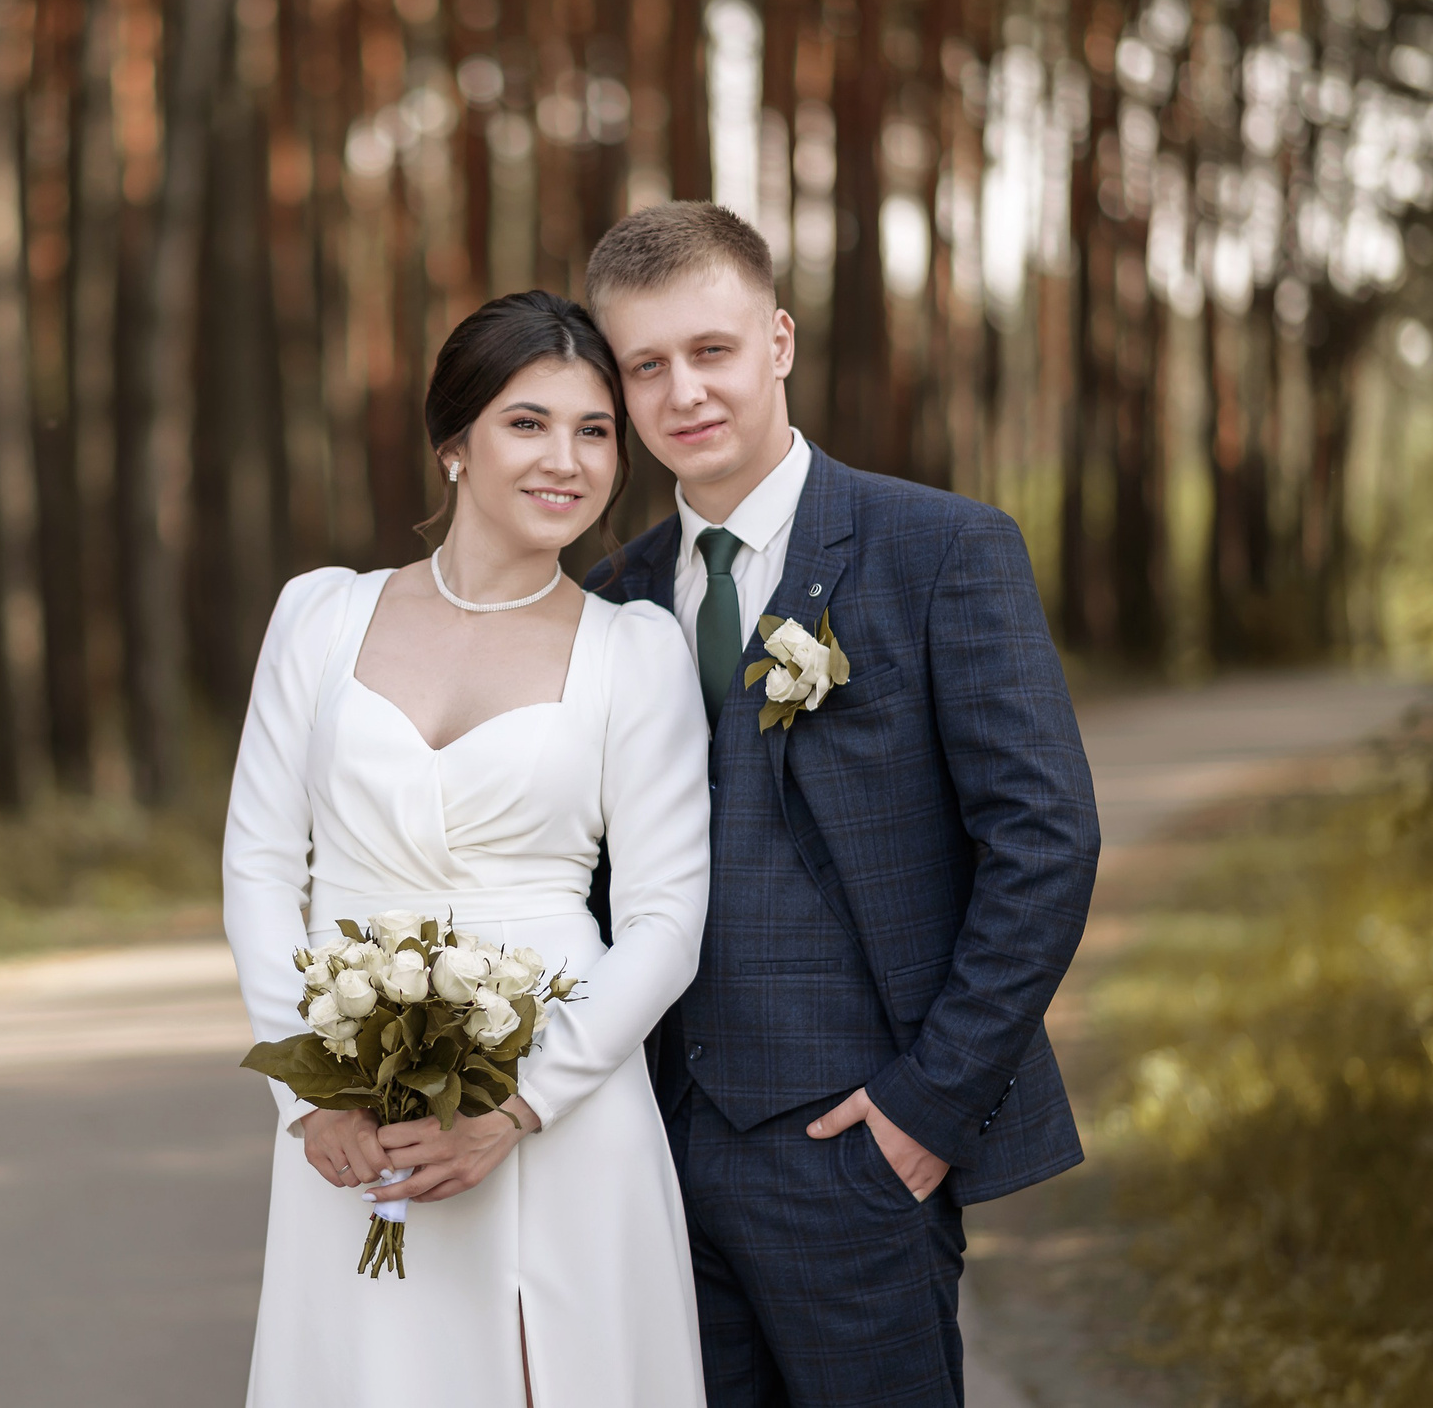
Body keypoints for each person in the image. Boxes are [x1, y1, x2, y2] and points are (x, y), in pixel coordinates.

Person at [582, 201, 1101, 1407]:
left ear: (777, 341)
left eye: (709, 351)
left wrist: (928, 1105)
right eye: (644, 366)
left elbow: (1043, 844)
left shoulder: (940, 552)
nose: (683, 393)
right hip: (649, 1159)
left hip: (857, 1152)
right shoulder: (608, 604)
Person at [224, 290, 712, 1407]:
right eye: (527, 423)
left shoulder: (634, 655)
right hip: (353, 1112)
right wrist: (309, 1096)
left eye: (594, 432)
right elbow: (258, 864)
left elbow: (663, 920)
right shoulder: (318, 618)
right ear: (453, 444)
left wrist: (518, 1106)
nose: (568, 461)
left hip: (560, 1108)